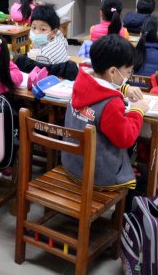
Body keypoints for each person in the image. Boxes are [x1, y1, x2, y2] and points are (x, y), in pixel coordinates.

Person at [61, 34, 148, 193]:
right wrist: (137, 111)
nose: (128, 77)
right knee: (142, 177)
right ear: (113, 71)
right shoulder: (111, 104)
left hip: (72, 163)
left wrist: (123, 89)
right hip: (96, 175)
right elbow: (126, 138)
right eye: (128, 72)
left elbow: (99, 88)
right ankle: (123, 210)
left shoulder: (80, 82)